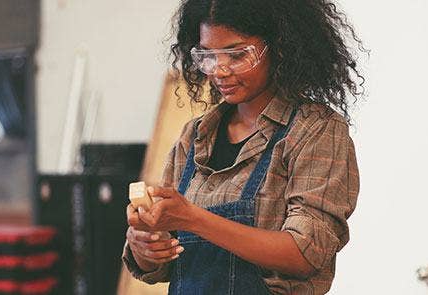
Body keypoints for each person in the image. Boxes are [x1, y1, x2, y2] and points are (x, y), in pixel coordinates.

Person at [122, 0, 365, 294]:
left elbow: (306, 252)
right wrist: (146, 247)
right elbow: (164, 264)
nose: (219, 71)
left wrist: (194, 219)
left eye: (237, 55)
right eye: (207, 55)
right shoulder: (194, 136)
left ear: (279, 47)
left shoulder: (314, 130)